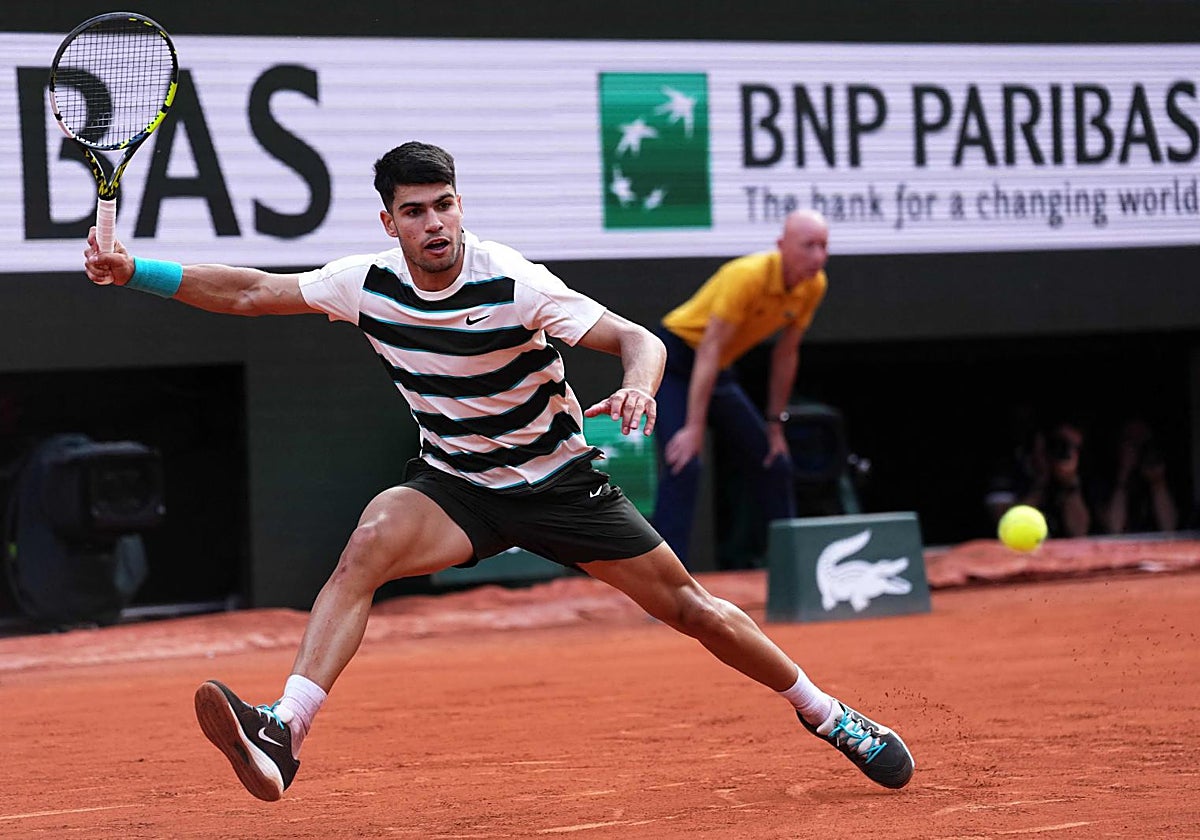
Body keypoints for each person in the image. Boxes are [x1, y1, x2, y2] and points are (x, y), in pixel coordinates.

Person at [83, 142, 912, 801]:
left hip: (558, 483)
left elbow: (641, 340)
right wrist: (135, 271)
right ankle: (284, 733)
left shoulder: (513, 280)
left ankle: (828, 713)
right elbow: (252, 293)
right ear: (389, 222)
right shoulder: (362, 285)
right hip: (457, 484)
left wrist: (635, 390)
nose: (435, 223)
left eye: (445, 204)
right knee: (366, 545)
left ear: (459, 206)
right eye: (415, 211)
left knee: (693, 610)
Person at [653, 210, 829, 568]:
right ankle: (667, 584)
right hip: (676, 361)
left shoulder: (815, 285)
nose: (817, 257)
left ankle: (795, 575)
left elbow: (786, 353)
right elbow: (709, 347)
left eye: (823, 247)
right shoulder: (745, 276)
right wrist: (694, 426)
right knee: (684, 464)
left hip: (713, 369)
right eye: (807, 246)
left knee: (772, 460)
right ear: (781, 246)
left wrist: (775, 424)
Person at [1100, 417, 1178, 535]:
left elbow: (1170, 528)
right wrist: (1124, 474)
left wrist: (1158, 482)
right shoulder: (1106, 478)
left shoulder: (1165, 475)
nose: (1138, 449)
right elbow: (1114, 528)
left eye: (1143, 442)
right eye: (1132, 442)